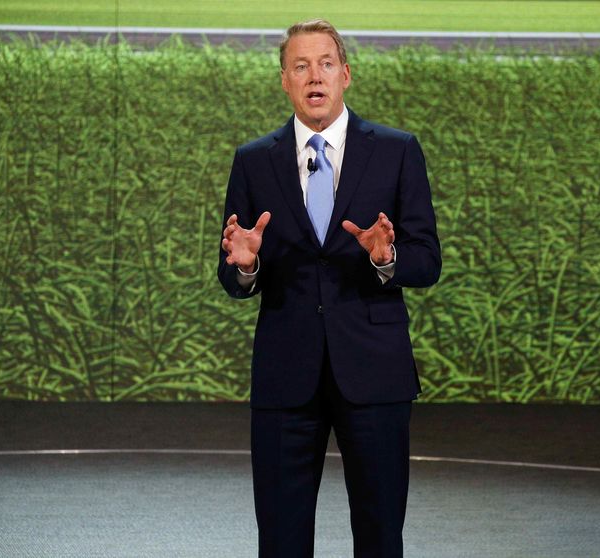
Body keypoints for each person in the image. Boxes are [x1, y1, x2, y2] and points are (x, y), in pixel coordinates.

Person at [218, 18, 441, 558]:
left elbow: (427, 260)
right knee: (281, 539)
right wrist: (245, 264)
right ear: (284, 81)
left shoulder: (395, 151)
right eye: (300, 66)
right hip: (285, 378)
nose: (313, 76)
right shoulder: (254, 161)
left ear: (345, 75)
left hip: (374, 372)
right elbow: (233, 274)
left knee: (381, 535)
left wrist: (386, 259)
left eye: (323, 64)